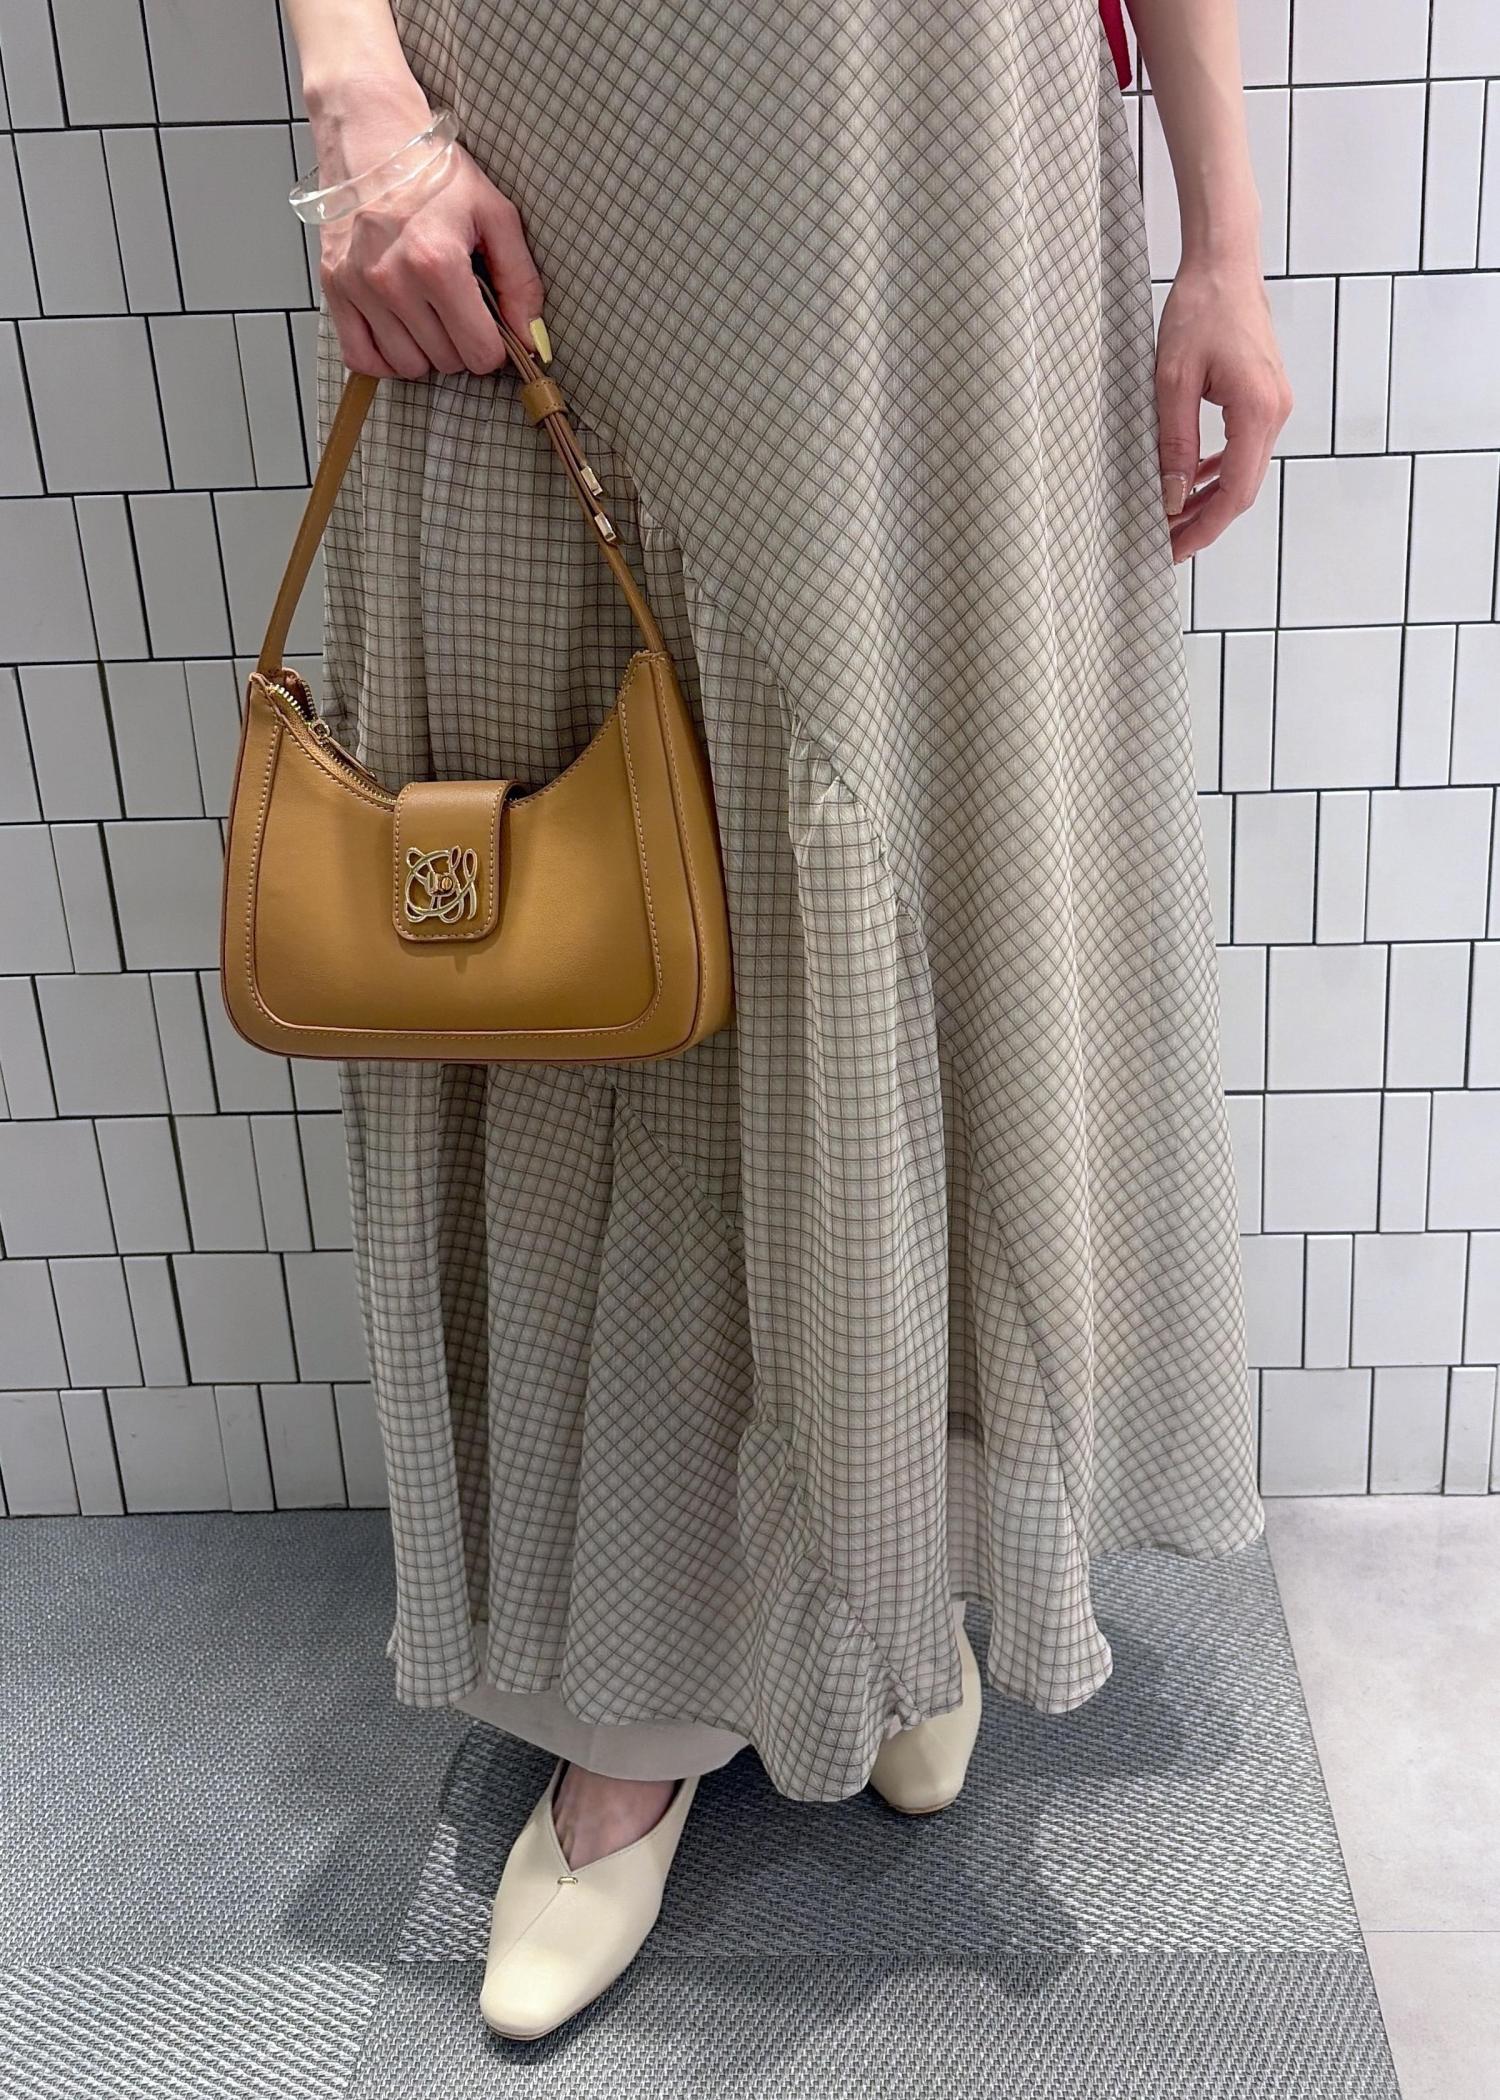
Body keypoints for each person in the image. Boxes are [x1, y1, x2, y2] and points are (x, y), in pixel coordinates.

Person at [281, 0, 1290, 2043]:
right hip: (574, 121)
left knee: (945, 850)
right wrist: (353, 89)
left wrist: (1227, 243)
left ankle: (888, 1566)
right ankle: (630, 1705)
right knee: (617, 928)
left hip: (952, 144)